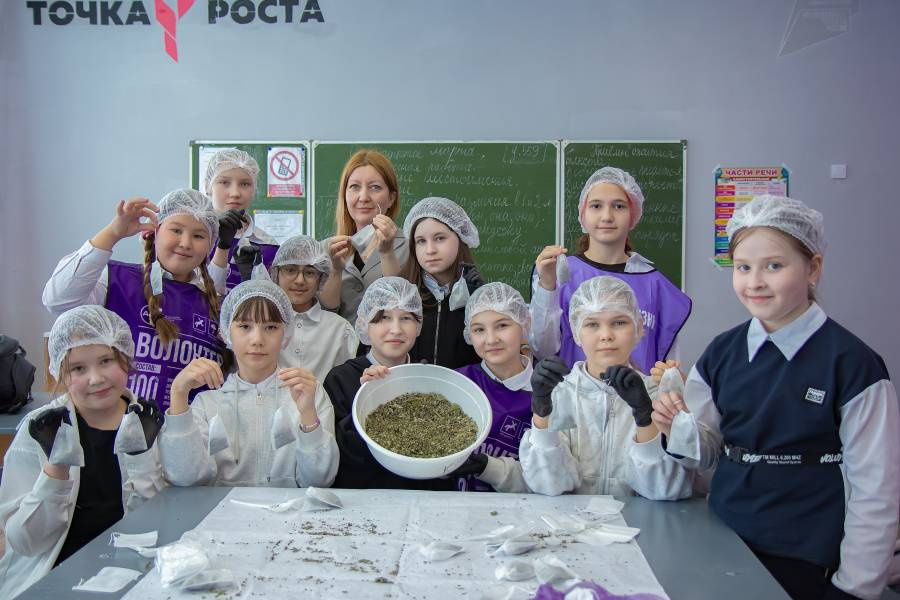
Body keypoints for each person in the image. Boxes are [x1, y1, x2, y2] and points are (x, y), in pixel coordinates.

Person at [651, 195, 899, 600]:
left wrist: (856, 587)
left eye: (774, 266)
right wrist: (673, 428)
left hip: (809, 552)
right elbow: (704, 454)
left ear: (813, 268)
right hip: (725, 538)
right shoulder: (721, 353)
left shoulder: (853, 364)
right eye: (743, 267)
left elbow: (876, 487)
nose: (755, 282)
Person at [0, 306, 165, 599]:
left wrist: (141, 460)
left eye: (105, 361)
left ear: (126, 358)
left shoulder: (147, 421)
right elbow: (24, 542)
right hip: (55, 575)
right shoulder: (40, 429)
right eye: (78, 368)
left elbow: (160, 521)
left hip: (135, 571)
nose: (96, 378)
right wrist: (55, 470)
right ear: (60, 373)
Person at [42, 190, 224, 410]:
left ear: (210, 245)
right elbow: (58, 300)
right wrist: (113, 232)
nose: (185, 243)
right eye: (176, 230)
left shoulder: (218, 305)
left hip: (192, 426)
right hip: (120, 424)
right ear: (154, 232)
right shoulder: (116, 280)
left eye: (198, 236)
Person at [519, 276, 692, 500]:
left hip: (638, 520)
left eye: (619, 322)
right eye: (592, 324)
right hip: (571, 520)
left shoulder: (657, 394)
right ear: (576, 332)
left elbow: (666, 489)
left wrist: (645, 415)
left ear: (638, 328)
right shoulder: (562, 393)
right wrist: (542, 410)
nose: (606, 335)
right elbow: (547, 484)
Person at [158, 279, 338, 488]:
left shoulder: (308, 394)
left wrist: (307, 413)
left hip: (290, 509)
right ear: (226, 332)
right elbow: (186, 478)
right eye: (245, 326)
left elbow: (320, 480)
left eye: (270, 327)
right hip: (223, 509)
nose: (257, 339)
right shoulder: (207, 404)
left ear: (286, 334)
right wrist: (179, 394)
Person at [529, 167, 691, 373]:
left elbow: (668, 365)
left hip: (637, 392)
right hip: (574, 391)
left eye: (618, 206)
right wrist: (547, 286)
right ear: (583, 214)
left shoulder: (656, 285)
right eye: (596, 206)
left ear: (633, 214)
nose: (607, 216)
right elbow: (543, 350)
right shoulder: (559, 273)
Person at [323, 277, 456, 490]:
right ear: (364, 323)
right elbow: (339, 455)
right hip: (362, 498)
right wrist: (368, 398)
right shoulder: (341, 379)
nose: (396, 329)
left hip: (425, 498)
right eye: (384, 317)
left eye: (406, 318)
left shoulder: (431, 380)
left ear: (419, 325)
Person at [455, 282, 533, 493]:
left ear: (524, 325)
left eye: (502, 326)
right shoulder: (459, 383)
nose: (491, 339)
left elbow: (549, 478)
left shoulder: (546, 392)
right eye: (479, 330)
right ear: (469, 334)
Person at [319, 149, 407, 320]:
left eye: (375, 187)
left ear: (391, 198)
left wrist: (387, 253)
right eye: (355, 187)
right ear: (344, 195)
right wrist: (335, 271)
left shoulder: (411, 248)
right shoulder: (325, 249)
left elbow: (402, 307)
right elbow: (325, 314)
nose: (364, 197)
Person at [400, 196, 484, 368]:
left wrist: (478, 303)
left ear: (460, 238)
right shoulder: (402, 297)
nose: (430, 250)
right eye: (421, 241)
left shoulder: (479, 294)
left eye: (439, 238)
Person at [270, 235, 358, 382]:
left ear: (321, 278)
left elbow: (346, 384)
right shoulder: (263, 323)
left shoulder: (340, 329)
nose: (300, 280)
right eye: (290, 270)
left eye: (309, 272)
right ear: (276, 274)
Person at [204, 148, 280, 294]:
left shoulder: (268, 245)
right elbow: (199, 295)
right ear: (207, 186)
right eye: (224, 182)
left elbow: (270, 301)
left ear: (254, 189)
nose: (235, 193)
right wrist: (223, 247)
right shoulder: (194, 238)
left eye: (245, 184)